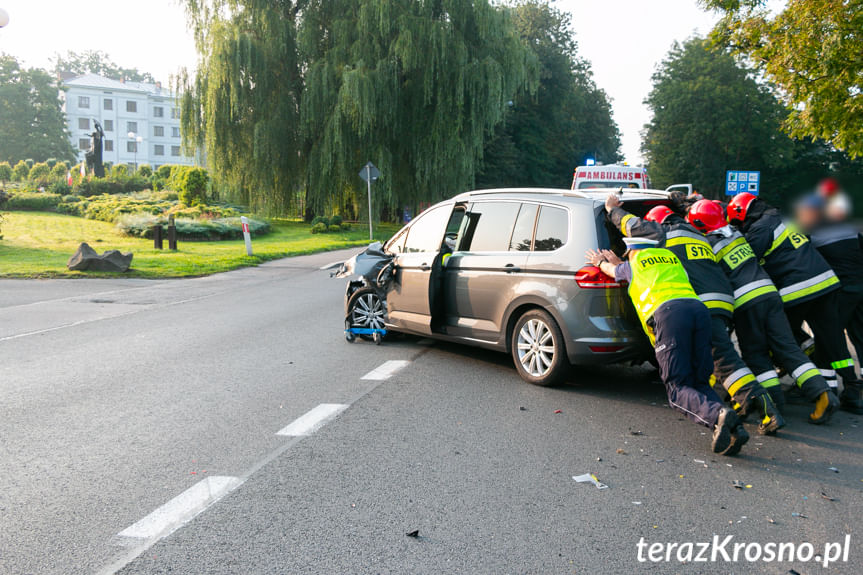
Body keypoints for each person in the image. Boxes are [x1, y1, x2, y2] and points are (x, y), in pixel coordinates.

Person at [605, 194, 783, 434]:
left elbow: (631, 225)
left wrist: (612, 210)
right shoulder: (695, 231)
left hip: (700, 301)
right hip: (723, 300)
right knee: (722, 359)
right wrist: (686, 200)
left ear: (657, 223)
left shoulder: (663, 233)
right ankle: (746, 408)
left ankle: (764, 408)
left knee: (725, 362)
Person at [586, 236, 748, 455]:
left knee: (677, 388)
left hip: (671, 316)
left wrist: (599, 262)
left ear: (633, 251)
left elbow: (613, 271)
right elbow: (628, 268)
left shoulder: (634, 263)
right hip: (699, 311)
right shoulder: (670, 258)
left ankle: (717, 416)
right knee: (700, 381)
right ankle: (735, 429)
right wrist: (620, 262)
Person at [692, 196, 839, 424]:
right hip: (770, 295)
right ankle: (822, 395)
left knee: (756, 354)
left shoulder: (707, 245)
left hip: (746, 301)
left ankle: (775, 405)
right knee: (787, 347)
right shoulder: (737, 233)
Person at [794, 194, 863, 414]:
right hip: (859, 286)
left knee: (827, 338)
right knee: (860, 337)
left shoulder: (813, 232)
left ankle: (834, 390)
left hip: (841, 291)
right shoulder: (848, 227)